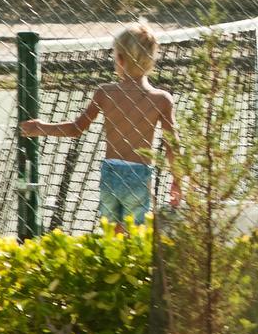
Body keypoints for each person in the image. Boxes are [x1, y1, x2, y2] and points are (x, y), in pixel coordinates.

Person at [21, 22, 180, 232]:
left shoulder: (105, 93)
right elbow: (172, 145)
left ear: (120, 60)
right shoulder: (161, 100)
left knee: (111, 234)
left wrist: (41, 127)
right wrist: (177, 180)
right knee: (137, 234)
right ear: (151, 60)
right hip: (139, 175)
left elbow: (76, 128)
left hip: (111, 174)